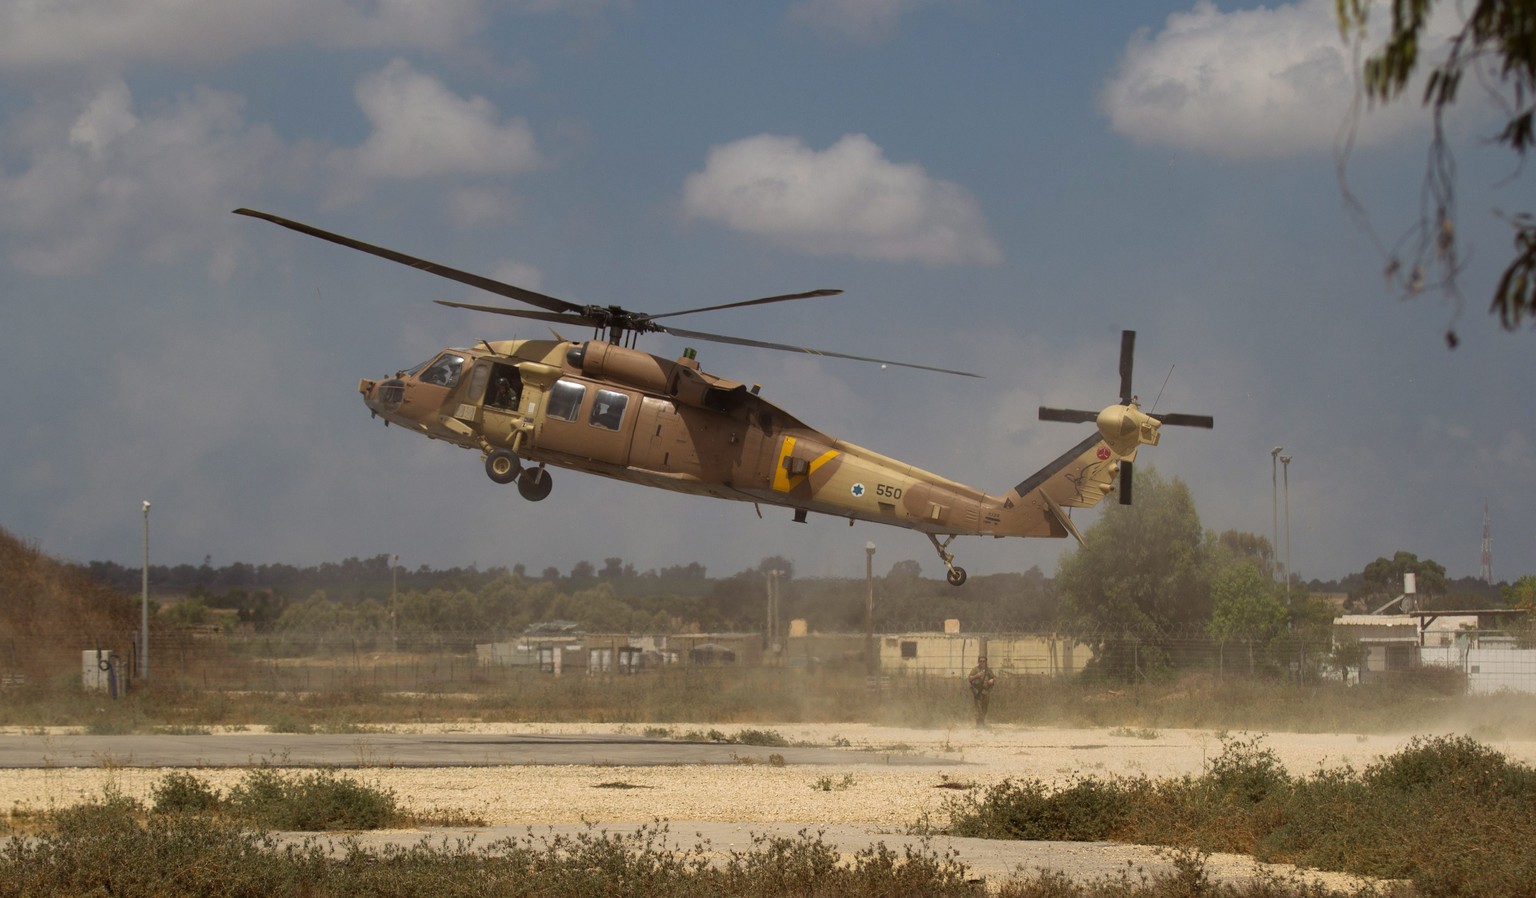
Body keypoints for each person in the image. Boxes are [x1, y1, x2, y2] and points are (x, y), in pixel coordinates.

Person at [967, 655, 996, 728]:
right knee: (978, 709)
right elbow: (969, 678)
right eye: (981, 661)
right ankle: (979, 724)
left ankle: (982, 722)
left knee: (984, 708)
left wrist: (992, 680)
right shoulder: (975, 669)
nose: (982, 662)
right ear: (978, 662)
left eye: (984, 661)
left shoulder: (988, 670)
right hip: (978, 692)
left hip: (986, 691)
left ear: (986, 662)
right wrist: (976, 676)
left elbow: (994, 678)